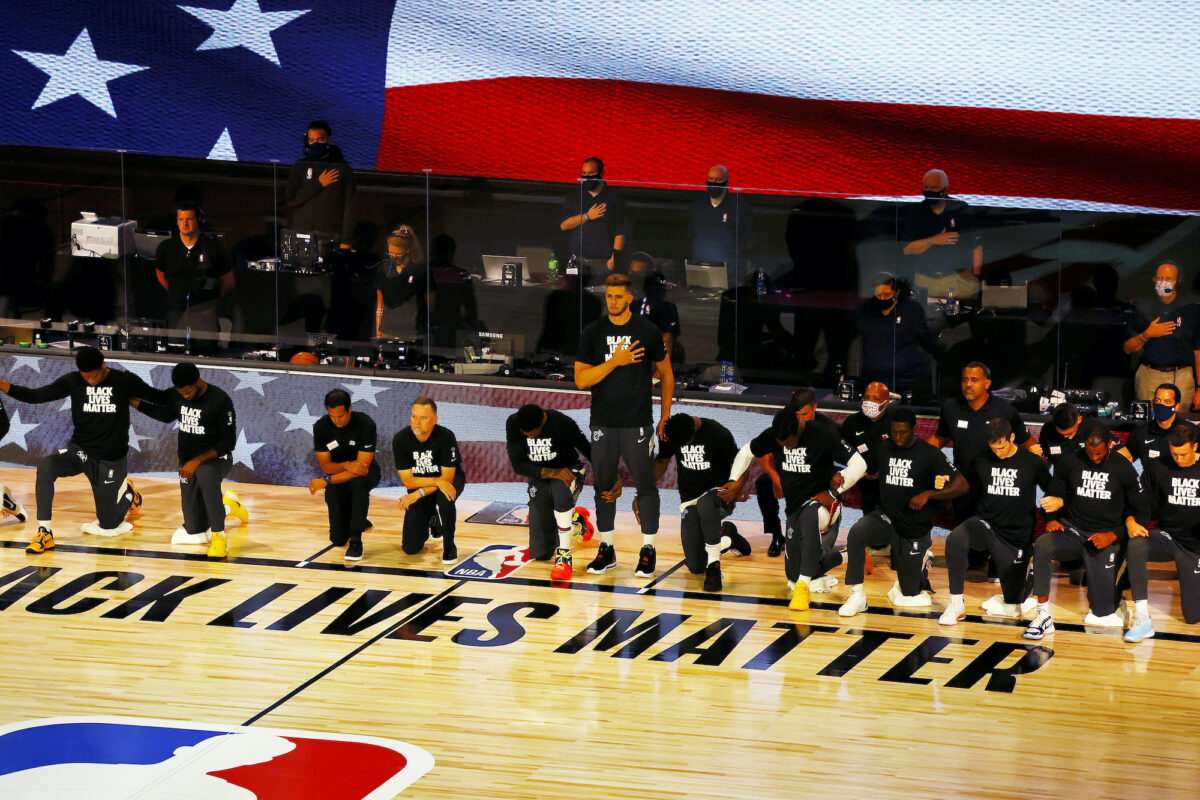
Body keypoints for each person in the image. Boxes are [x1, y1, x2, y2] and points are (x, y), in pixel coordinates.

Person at [0, 346, 169, 552]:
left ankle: (128, 494)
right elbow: (35, 396)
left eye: (95, 376)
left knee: (109, 524)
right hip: (80, 452)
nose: (90, 381)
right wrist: (1, 384)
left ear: (104, 365)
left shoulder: (124, 381)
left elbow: (160, 398)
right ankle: (45, 532)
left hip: (110, 459)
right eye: (86, 377)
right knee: (46, 467)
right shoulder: (73, 381)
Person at [574, 273, 673, 577]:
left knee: (646, 486)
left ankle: (648, 549)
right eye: (609, 296)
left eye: (618, 296)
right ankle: (607, 548)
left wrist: (665, 415)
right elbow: (581, 380)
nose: (612, 301)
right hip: (603, 421)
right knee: (603, 486)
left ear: (630, 298)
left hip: (637, 422)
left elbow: (667, 374)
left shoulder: (648, 331)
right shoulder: (593, 332)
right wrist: (615, 361)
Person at [729, 393, 867, 605]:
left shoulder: (824, 434)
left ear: (799, 428)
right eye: (781, 444)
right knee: (793, 574)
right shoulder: (775, 434)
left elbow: (860, 465)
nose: (786, 447)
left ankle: (803, 588)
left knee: (809, 517)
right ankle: (847, 555)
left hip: (824, 505)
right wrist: (733, 480)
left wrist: (832, 493)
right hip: (794, 508)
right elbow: (746, 451)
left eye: (789, 443)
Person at [839, 407, 968, 616]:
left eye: (904, 432)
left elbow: (962, 485)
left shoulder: (928, 453)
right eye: (894, 432)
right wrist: (840, 479)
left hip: (914, 526)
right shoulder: (883, 448)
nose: (898, 437)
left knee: (910, 594)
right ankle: (857, 596)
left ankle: (924, 562)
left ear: (913, 429)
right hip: (886, 518)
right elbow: (865, 470)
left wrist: (928, 495)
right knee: (856, 533)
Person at [1024, 424, 1149, 639]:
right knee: (1043, 544)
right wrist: (1051, 519)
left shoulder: (1123, 467)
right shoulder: (1070, 461)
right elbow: (1054, 492)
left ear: (1110, 445)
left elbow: (1143, 509)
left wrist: (1115, 534)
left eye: (1099, 454)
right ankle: (1043, 615)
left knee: (1102, 612)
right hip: (1073, 530)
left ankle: (1115, 599)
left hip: (1105, 536)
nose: (1094, 459)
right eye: (1090, 454)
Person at [131, 362, 248, 557]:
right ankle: (229, 506)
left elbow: (227, 443)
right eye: (181, 393)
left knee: (205, 472)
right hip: (187, 463)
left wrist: (198, 461)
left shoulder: (219, 400)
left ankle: (219, 537)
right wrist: (133, 401)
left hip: (216, 459)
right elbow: (163, 412)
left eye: (188, 392)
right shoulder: (178, 394)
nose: (185, 396)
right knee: (195, 527)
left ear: (198, 380)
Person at [940, 418, 1051, 625]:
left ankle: (1028, 580)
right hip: (987, 526)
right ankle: (956, 603)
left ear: (1012, 438)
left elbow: (1052, 491)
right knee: (956, 538)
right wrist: (942, 482)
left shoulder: (1032, 462)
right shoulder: (982, 459)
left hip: (1017, 538)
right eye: (993, 448)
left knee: (1013, 602)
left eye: (1001, 447)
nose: (998, 453)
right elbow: (965, 486)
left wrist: (1054, 511)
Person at [926, 362, 1039, 526]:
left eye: (974, 380)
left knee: (993, 535)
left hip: (994, 487)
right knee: (966, 533)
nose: (968, 385)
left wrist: (1032, 463)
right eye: (965, 380)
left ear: (987, 383)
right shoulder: (951, 408)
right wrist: (916, 453)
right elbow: (940, 437)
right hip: (963, 485)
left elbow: (1027, 442)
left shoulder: (1005, 411)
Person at [655, 413, 752, 592]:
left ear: (692, 435)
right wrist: (641, 491)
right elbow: (661, 460)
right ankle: (729, 537)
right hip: (689, 499)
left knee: (705, 504)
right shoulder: (673, 430)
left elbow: (742, 461)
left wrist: (738, 486)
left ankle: (714, 567)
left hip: (719, 495)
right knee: (696, 566)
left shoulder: (717, 433)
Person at [1126, 424, 1200, 641]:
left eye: (1184, 454)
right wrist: (1130, 519)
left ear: (1195, 447)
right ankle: (1142, 619)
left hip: (1195, 548)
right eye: (1175, 453)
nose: (1178, 459)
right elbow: (1140, 502)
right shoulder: (1158, 467)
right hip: (1168, 538)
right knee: (1136, 544)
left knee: (1193, 617)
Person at [506, 403, 592, 580]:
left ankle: (564, 555)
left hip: (569, 470)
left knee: (559, 491)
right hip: (541, 475)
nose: (529, 437)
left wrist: (609, 476)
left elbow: (587, 449)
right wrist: (550, 472)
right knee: (541, 553)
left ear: (543, 420)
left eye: (533, 433)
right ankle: (577, 523)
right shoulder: (513, 423)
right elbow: (518, 464)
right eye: (526, 434)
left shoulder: (563, 422)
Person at [309, 388, 379, 563]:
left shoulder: (365, 424)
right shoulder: (321, 427)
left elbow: (362, 468)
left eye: (340, 416)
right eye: (332, 416)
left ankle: (356, 540)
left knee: (358, 484)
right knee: (338, 540)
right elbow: (326, 465)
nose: (336, 421)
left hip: (367, 473)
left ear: (350, 409)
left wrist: (327, 481)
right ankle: (358, 519)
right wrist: (347, 465)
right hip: (339, 473)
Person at [394, 397, 465, 563]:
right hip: (423, 483)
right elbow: (408, 481)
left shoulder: (446, 437)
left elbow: (446, 479)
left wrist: (417, 494)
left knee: (445, 498)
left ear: (434, 420)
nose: (417, 422)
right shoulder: (401, 439)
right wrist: (435, 482)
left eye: (423, 418)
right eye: (413, 416)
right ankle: (432, 517)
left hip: (450, 480)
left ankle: (449, 546)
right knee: (410, 548)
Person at [153, 202, 234, 347]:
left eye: (189, 219)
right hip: (176, 310)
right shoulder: (166, 248)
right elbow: (160, 275)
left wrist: (211, 299)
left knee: (206, 350)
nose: (185, 223)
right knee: (174, 349)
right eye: (181, 219)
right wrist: (176, 293)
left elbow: (229, 280)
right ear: (177, 222)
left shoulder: (213, 248)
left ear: (198, 221)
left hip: (206, 311)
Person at [1123, 260, 1200, 410]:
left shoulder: (1190, 309)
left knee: (1179, 428)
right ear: (1153, 279)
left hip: (1182, 377)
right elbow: (1127, 348)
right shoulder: (1143, 308)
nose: (1163, 282)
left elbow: (1198, 353)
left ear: (1178, 281)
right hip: (1148, 375)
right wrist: (1147, 334)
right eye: (1160, 278)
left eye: (1168, 279)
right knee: (1147, 424)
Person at [853, 273, 940, 401]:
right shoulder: (866, 310)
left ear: (897, 292)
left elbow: (925, 339)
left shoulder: (911, 310)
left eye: (887, 295)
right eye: (879, 295)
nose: (882, 299)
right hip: (874, 383)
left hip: (908, 382)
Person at [900, 168, 983, 280]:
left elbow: (976, 245)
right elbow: (907, 249)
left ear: (945, 190)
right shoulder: (916, 212)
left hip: (958, 278)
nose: (929, 191)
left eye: (934, 188)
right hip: (926, 279)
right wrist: (933, 240)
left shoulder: (960, 209)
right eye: (926, 188)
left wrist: (976, 275)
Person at [286, 120, 354, 246]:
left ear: (329, 139)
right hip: (302, 235)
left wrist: (346, 240)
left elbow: (350, 207)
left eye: (320, 140)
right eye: (312, 140)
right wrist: (318, 184)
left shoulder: (343, 168)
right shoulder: (300, 166)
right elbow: (291, 200)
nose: (315, 144)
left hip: (331, 236)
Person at [688, 164, 755, 289]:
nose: (714, 183)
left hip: (730, 276)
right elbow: (691, 236)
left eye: (718, 180)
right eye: (711, 179)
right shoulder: (697, 205)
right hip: (700, 273)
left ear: (727, 182)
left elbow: (748, 242)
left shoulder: (739, 207)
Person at [559, 157, 629, 277]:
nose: (587, 177)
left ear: (600, 173)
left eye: (591, 173)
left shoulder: (614, 197)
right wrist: (587, 216)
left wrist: (614, 259)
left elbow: (621, 231)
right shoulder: (575, 196)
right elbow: (564, 225)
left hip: (603, 263)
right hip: (578, 262)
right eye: (584, 174)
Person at [838, 381, 892, 516]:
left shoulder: (896, 422)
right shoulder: (852, 422)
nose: (869, 402)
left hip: (891, 482)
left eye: (875, 399)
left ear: (886, 403)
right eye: (867, 397)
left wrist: (884, 469)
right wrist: (860, 469)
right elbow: (840, 450)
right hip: (865, 483)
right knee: (869, 522)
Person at [1118, 382, 1199, 469]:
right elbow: (1126, 462)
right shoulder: (1140, 432)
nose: (1161, 405)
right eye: (1158, 400)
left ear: (1177, 406)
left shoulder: (1192, 432)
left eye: (1166, 401)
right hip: (1149, 479)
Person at [374, 225, 430, 338]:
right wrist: (378, 331)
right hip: (387, 329)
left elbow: (428, 305)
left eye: (398, 254)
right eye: (391, 253)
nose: (393, 257)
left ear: (408, 250)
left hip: (412, 331)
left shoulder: (419, 270)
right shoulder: (385, 268)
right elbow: (380, 305)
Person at [631, 258, 681, 361]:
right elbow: (668, 336)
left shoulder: (633, 305)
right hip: (655, 359)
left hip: (634, 356)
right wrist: (664, 367)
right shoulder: (668, 308)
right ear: (662, 289)